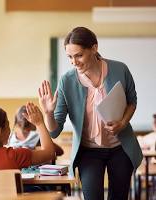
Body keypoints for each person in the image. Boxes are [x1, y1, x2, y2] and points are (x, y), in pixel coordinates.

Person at [38, 27, 143, 200]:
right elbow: (54, 131)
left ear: (94, 48)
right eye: (69, 57)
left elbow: (132, 101)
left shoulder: (119, 69)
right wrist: (48, 113)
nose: (74, 62)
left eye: (79, 55)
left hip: (120, 148)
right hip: (88, 152)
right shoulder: (67, 81)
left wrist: (123, 123)